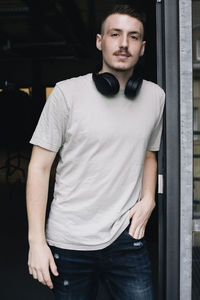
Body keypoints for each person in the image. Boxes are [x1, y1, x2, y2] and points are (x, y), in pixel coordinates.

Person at [26, 4, 165, 300]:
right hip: (69, 240)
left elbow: (149, 154)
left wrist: (149, 198)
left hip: (126, 238)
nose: (124, 43)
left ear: (143, 48)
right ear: (100, 42)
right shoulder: (66, 94)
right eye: (115, 34)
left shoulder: (155, 96)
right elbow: (39, 167)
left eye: (133, 36)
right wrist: (36, 241)